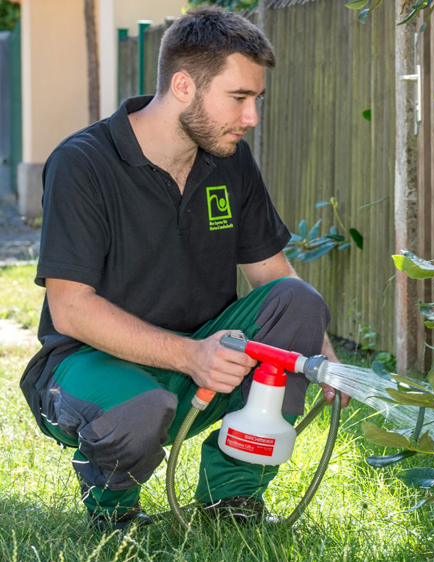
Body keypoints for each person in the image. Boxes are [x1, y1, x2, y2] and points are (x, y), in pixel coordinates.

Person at [19, 6, 350, 531]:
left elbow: (272, 273)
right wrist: (190, 355)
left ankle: (230, 502)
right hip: (90, 365)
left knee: (301, 302)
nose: (251, 118)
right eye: (239, 98)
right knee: (140, 408)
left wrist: (320, 353)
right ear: (183, 86)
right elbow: (71, 309)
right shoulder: (83, 163)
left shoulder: (229, 159)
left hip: (206, 353)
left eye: (256, 100)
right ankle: (116, 513)